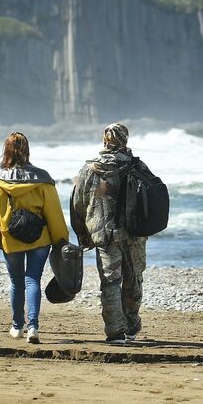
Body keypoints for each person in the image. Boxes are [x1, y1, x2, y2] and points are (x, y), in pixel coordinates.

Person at [0, 132, 69, 344]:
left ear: (6, 151)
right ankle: (33, 327)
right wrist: (61, 239)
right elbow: (54, 213)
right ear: (27, 150)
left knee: (16, 282)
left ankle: (17, 326)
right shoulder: (43, 180)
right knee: (33, 280)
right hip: (39, 239)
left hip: (10, 239)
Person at [71, 123, 149, 344]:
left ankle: (115, 331)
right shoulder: (137, 166)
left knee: (110, 281)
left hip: (103, 233)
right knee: (134, 279)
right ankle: (132, 325)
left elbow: (78, 202)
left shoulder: (89, 169)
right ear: (125, 140)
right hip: (134, 234)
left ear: (105, 140)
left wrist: (82, 233)